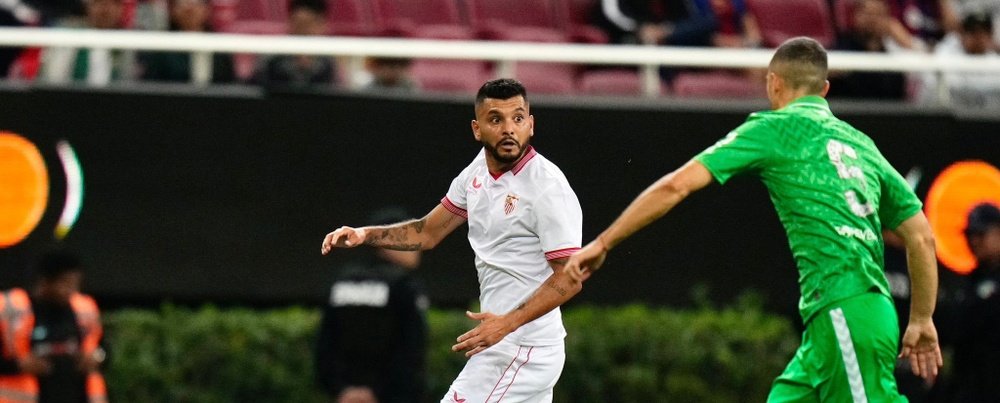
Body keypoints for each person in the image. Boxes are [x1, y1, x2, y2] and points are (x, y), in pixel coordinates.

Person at [452, 37, 943, 402]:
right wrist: (920, 317)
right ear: (826, 89)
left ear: (773, 84)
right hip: (842, 320)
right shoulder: (861, 143)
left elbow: (676, 185)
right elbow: (921, 235)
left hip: (845, 310)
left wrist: (603, 242)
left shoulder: (775, 128)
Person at [321, 78, 583, 402]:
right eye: (495, 119)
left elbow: (570, 278)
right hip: (508, 345)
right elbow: (427, 232)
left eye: (517, 118)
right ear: (477, 128)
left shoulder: (547, 187)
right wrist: (365, 235)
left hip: (520, 348)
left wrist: (507, 324)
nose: (508, 129)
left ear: (531, 124)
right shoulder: (476, 173)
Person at [315, 206, 429, 403]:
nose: (419, 246)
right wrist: (379, 392)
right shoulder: (403, 285)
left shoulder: (343, 280)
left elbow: (325, 343)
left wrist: (341, 389)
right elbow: (411, 348)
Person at [0, 250, 108, 403]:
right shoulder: (12, 310)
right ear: (45, 282)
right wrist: (18, 366)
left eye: (75, 284)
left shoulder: (83, 310)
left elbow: (104, 350)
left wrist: (98, 357)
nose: (71, 290)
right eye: (65, 283)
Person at [944, 202, 1000, 402]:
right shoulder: (968, 283)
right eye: (970, 235)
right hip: (968, 389)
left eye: (981, 234)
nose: (974, 241)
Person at [137, 0, 235, 84]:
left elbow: (229, 86)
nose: (189, 8)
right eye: (182, 3)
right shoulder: (162, 47)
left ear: (207, 9)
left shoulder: (220, 47)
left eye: (196, 2)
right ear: (172, 10)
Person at [37, 0, 132, 86]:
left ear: (121, 8)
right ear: (88, 6)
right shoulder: (69, 34)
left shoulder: (132, 41)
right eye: (98, 2)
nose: (105, 10)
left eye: (113, 3)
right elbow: (52, 79)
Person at [252, 0, 335, 89]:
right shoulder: (272, 59)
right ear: (290, 22)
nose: (303, 31)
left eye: (308, 25)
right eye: (299, 25)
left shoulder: (329, 63)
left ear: (322, 25)